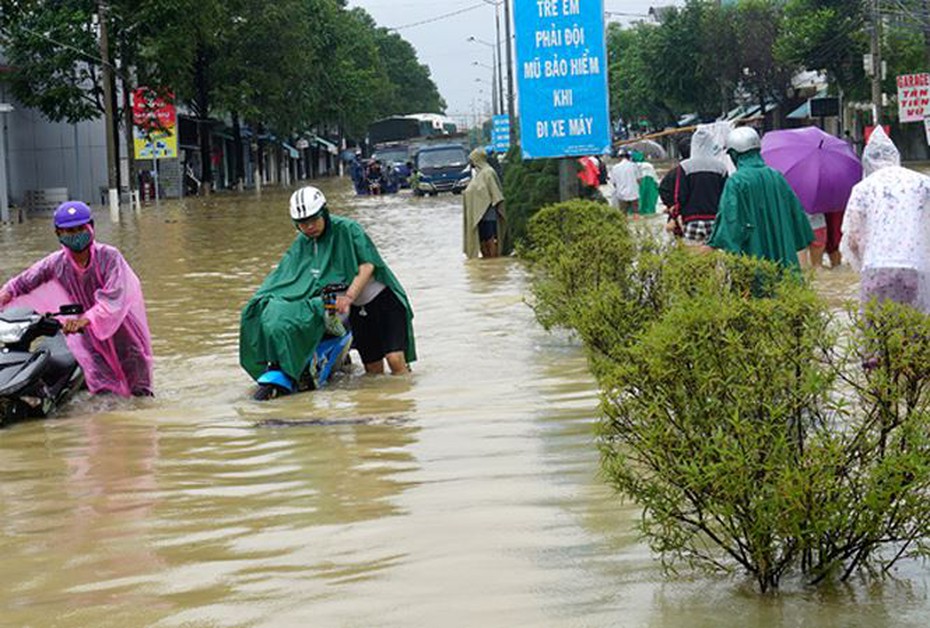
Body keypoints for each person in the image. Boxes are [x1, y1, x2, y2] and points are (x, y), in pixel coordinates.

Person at [239, 186, 415, 382]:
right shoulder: (304, 242)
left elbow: (367, 266)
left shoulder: (348, 229)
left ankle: (405, 403)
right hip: (356, 309)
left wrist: (349, 297)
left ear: (324, 212)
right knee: (372, 370)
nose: (309, 227)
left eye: (314, 220)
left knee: (394, 359)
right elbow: (291, 276)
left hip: (382, 301)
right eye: (302, 224)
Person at [0, 201, 154, 396]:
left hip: (123, 331)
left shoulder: (109, 257)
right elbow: (20, 285)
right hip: (89, 336)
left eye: (80, 228)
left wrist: (86, 319)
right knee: (104, 393)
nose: (76, 235)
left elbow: (114, 298)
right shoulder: (55, 263)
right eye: (69, 231)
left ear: (91, 227)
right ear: (58, 234)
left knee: (139, 392)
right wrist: (3, 298)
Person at [841, 126, 930, 312]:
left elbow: (853, 238)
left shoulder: (863, 189)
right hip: (915, 268)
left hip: (876, 267)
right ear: (896, 156)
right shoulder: (922, 183)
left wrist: (862, 262)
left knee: (878, 332)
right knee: (917, 331)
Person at [705, 127, 814, 268]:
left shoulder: (736, 181)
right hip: (782, 250)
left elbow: (730, 221)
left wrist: (713, 244)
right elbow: (797, 216)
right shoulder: (777, 176)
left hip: (753, 250)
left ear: (734, 154)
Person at [660, 127, 728, 245]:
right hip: (715, 221)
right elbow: (726, 196)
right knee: (712, 257)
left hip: (691, 220)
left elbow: (680, 195)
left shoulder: (685, 167)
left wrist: (674, 214)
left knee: (693, 259)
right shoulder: (721, 167)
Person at [463, 147, 506, 259]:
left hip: (489, 214)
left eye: (472, 160)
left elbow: (495, 193)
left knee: (490, 239)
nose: (471, 163)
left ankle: (494, 262)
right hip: (479, 215)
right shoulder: (478, 173)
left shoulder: (488, 172)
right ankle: (486, 263)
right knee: (482, 239)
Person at [609, 150, 641, 217]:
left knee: (623, 214)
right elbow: (639, 180)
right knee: (636, 213)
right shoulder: (634, 166)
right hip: (634, 193)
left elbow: (614, 183)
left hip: (621, 194)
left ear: (619, 157)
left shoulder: (615, 167)